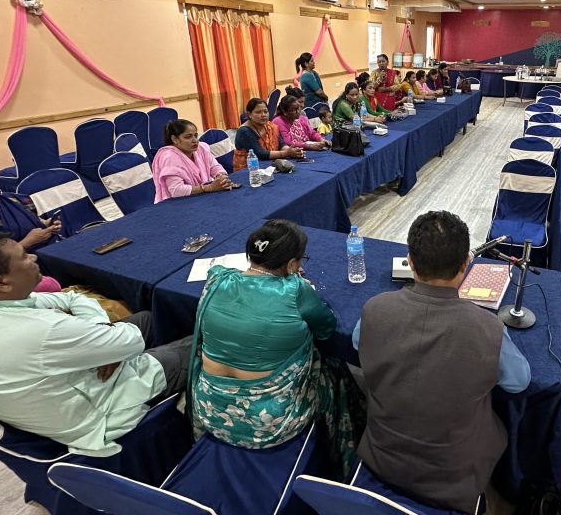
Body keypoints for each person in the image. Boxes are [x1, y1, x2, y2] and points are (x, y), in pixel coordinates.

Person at [0, 231, 191, 456]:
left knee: (146, 319)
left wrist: (104, 340)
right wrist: (109, 344)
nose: (33, 257)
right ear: (2, 282)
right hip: (99, 414)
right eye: (23, 257)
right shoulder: (39, 330)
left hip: (63, 390)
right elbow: (130, 341)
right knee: (201, 343)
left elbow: (70, 298)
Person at [354, 211, 531, 512]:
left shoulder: (374, 309)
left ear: (410, 262)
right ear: (465, 265)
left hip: (380, 455)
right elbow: (518, 382)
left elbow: (358, 342)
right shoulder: (487, 327)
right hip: (454, 476)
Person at [189, 219, 363, 475]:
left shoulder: (216, 280)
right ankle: (344, 456)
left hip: (209, 410)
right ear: (292, 265)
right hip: (270, 425)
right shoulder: (295, 290)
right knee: (335, 368)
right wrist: (301, 288)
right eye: (301, 260)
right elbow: (326, 329)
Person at [151, 119, 233, 203]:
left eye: (195, 136)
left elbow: (215, 167)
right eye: (188, 137)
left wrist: (221, 177)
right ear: (175, 139)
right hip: (177, 203)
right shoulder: (169, 157)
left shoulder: (201, 148)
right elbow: (176, 190)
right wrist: (209, 187)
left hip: (200, 197)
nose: (195, 140)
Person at [234, 98, 303, 170]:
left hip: (271, 166)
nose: (263, 115)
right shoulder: (245, 131)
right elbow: (260, 154)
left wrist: (292, 151)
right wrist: (286, 153)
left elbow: (281, 144)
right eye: (258, 112)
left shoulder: (271, 126)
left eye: (265, 111)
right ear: (249, 114)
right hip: (249, 170)